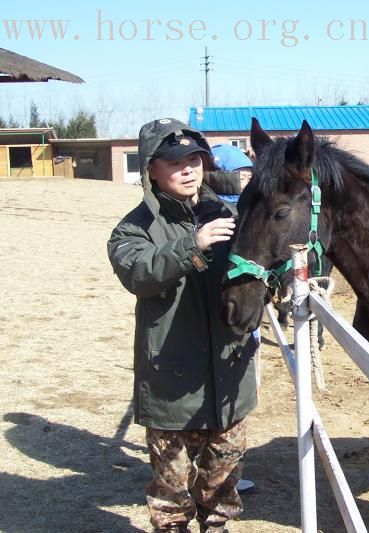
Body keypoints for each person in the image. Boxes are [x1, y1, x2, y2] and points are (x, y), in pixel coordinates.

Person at [108, 118, 259, 533]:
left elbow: (255, 271)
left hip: (229, 381)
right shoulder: (134, 228)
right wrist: (194, 245)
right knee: (172, 496)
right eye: (175, 162)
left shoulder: (229, 215)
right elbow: (140, 273)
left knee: (222, 488)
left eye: (195, 158)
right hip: (172, 385)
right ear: (151, 169)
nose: (189, 169)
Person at [206, 142, 258, 495]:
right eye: (239, 174)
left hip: (237, 327)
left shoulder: (240, 209)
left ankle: (226, 476)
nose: (245, 179)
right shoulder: (218, 214)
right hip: (217, 327)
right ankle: (217, 479)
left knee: (231, 408)